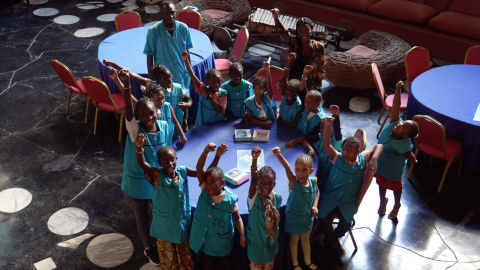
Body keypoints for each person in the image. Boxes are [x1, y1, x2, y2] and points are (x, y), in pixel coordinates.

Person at [119, 70, 169, 266]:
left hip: (155, 180)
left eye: (152, 113)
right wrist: (125, 84)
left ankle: (160, 240)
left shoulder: (164, 126)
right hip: (136, 182)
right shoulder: (135, 130)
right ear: (138, 117)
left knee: (156, 212)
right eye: (144, 115)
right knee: (141, 215)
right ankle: (148, 247)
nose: (149, 117)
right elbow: (129, 112)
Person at [318, 117, 384, 258]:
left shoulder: (361, 159)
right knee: (323, 217)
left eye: (349, 150)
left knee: (345, 226)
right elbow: (326, 144)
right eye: (343, 149)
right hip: (330, 197)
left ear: (358, 152)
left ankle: (330, 238)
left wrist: (374, 158)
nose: (345, 153)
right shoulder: (338, 158)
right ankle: (334, 244)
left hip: (347, 202)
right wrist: (329, 126)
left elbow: (379, 146)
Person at [136, 140, 198, 269]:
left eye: (172, 159)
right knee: (169, 257)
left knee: (184, 254)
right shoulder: (157, 175)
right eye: (165, 161)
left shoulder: (183, 171)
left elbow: (200, 173)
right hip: (165, 228)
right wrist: (138, 148)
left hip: (181, 224)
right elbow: (142, 164)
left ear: (176, 159)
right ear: (159, 163)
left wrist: (214, 156)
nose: (169, 163)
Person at [191, 143, 247, 270]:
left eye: (212, 182)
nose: (209, 185)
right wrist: (207, 152)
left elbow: (237, 218)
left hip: (223, 242)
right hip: (207, 242)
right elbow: (200, 168)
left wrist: (242, 234)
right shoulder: (205, 189)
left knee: (227, 263)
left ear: (222, 182)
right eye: (207, 182)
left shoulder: (230, 200)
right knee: (208, 264)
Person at [103, 59, 192, 136]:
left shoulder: (176, 90)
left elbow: (188, 100)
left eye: (170, 77)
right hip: (160, 127)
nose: (169, 80)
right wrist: (114, 65)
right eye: (165, 79)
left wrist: (187, 104)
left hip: (173, 124)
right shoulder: (152, 86)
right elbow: (132, 75)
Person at [376, 81, 419, 219]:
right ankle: (383, 201)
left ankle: (397, 204)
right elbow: (396, 106)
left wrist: (413, 161)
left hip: (394, 169)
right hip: (381, 164)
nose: (400, 124)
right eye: (402, 122)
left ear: (406, 136)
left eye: (403, 126)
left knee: (395, 187)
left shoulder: (404, 144)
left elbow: (410, 156)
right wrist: (397, 89)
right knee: (381, 183)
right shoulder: (394, 122)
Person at [273, 148, 319, 270]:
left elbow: (317, 193)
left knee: (305, 240)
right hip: (295, 219)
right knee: (294, 241)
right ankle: (295, 263)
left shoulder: (313, 182)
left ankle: (308, 261)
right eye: (297, 170)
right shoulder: (294, 182)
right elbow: (287, 167)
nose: (300, 173)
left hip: (308, 219)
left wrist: (314, 205)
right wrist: (279, 155)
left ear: (311, 171)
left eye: (304, 170)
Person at [272, 9, 326, 91]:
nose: (304, 33)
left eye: (307, 30)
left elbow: (321, 68)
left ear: (311, 31)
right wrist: (276, 18)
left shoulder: (319, 47)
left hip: (309, 83)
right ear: (297, 32)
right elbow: (283, 33)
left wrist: (317, 85)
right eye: (301, 31)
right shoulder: (294, 42)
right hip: (292, 81)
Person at [144, 1, 193, 91]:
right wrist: (151, 82)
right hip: (164, 80)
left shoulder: (184, 28)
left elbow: (187, 53)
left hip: (182, 77)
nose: (170, 16)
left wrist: (191, 75)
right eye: (166, 13)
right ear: (161, 14)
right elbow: (149, 57)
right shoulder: (153, 31)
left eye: (172, 13)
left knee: (183, 102)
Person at [247, 146, 282, 270]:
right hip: (256, 249)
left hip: (270, 249)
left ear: (274, 184)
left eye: (270, 183)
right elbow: (254, 178)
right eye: (262, 183)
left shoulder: (277, 198)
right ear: (257, 184)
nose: (266, 186)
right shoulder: (253, 198)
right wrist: (254, 160)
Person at [181, 51, 228, 127]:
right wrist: (186, 60)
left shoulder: (223, 93)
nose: (217, 84)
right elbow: (192, 76)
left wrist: (209, 96)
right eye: (213, 82)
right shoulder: (202, 89)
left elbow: (221, 109)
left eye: (219, 81)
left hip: (217, 127)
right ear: (207, 82)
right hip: (203, 126)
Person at [285, 89, 326, 157]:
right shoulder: (307, 109)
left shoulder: (321, 119)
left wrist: (298, 140)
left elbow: (314, 137)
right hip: (299, 135)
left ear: (317, 104)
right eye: (305, 102)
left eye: (309, 103)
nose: (306, 105)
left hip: (311, 142)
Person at [315, 105, 344, 192]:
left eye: (328, 127)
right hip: (320, 171)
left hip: (329, 178)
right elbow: (310, 138)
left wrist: (336, 116)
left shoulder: (336, 141)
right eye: (321, 127)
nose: (324, 129)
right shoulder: (321, 137)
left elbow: (337, 131)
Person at [244, 61, 276, 128]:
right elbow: (251, 118)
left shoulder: (267, 98)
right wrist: (263, 124)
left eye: (260, 90)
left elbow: (269, 85)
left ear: (265, 90)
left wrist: (267, 70)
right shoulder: (249, 102)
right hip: (256, 125)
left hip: (272, 125)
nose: (257, 92)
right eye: (255, 90)